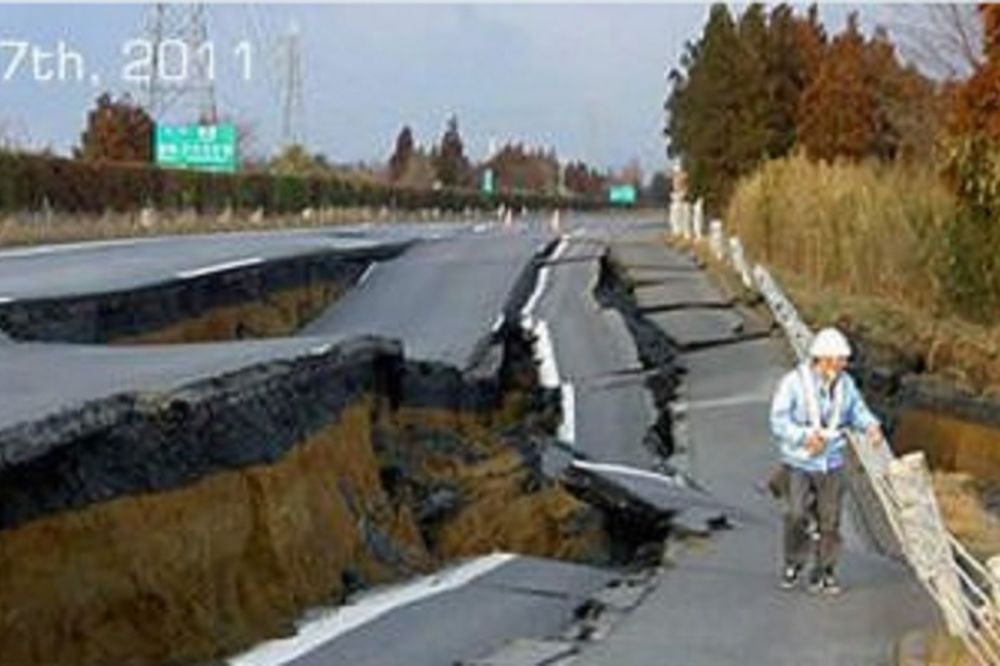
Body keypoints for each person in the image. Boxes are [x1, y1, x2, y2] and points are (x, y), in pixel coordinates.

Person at [770, 327, 884, 595]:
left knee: (830, 521)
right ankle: (793, 562)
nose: (843, 365)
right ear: (823, 359)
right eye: (839, 359)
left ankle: (824, 571)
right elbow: (779, 419)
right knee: (796, 514)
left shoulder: (845, 384)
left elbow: (857, 410)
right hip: (799, 462)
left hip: (831, 463)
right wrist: (804, 437)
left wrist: (871, 427)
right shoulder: (793, 383)